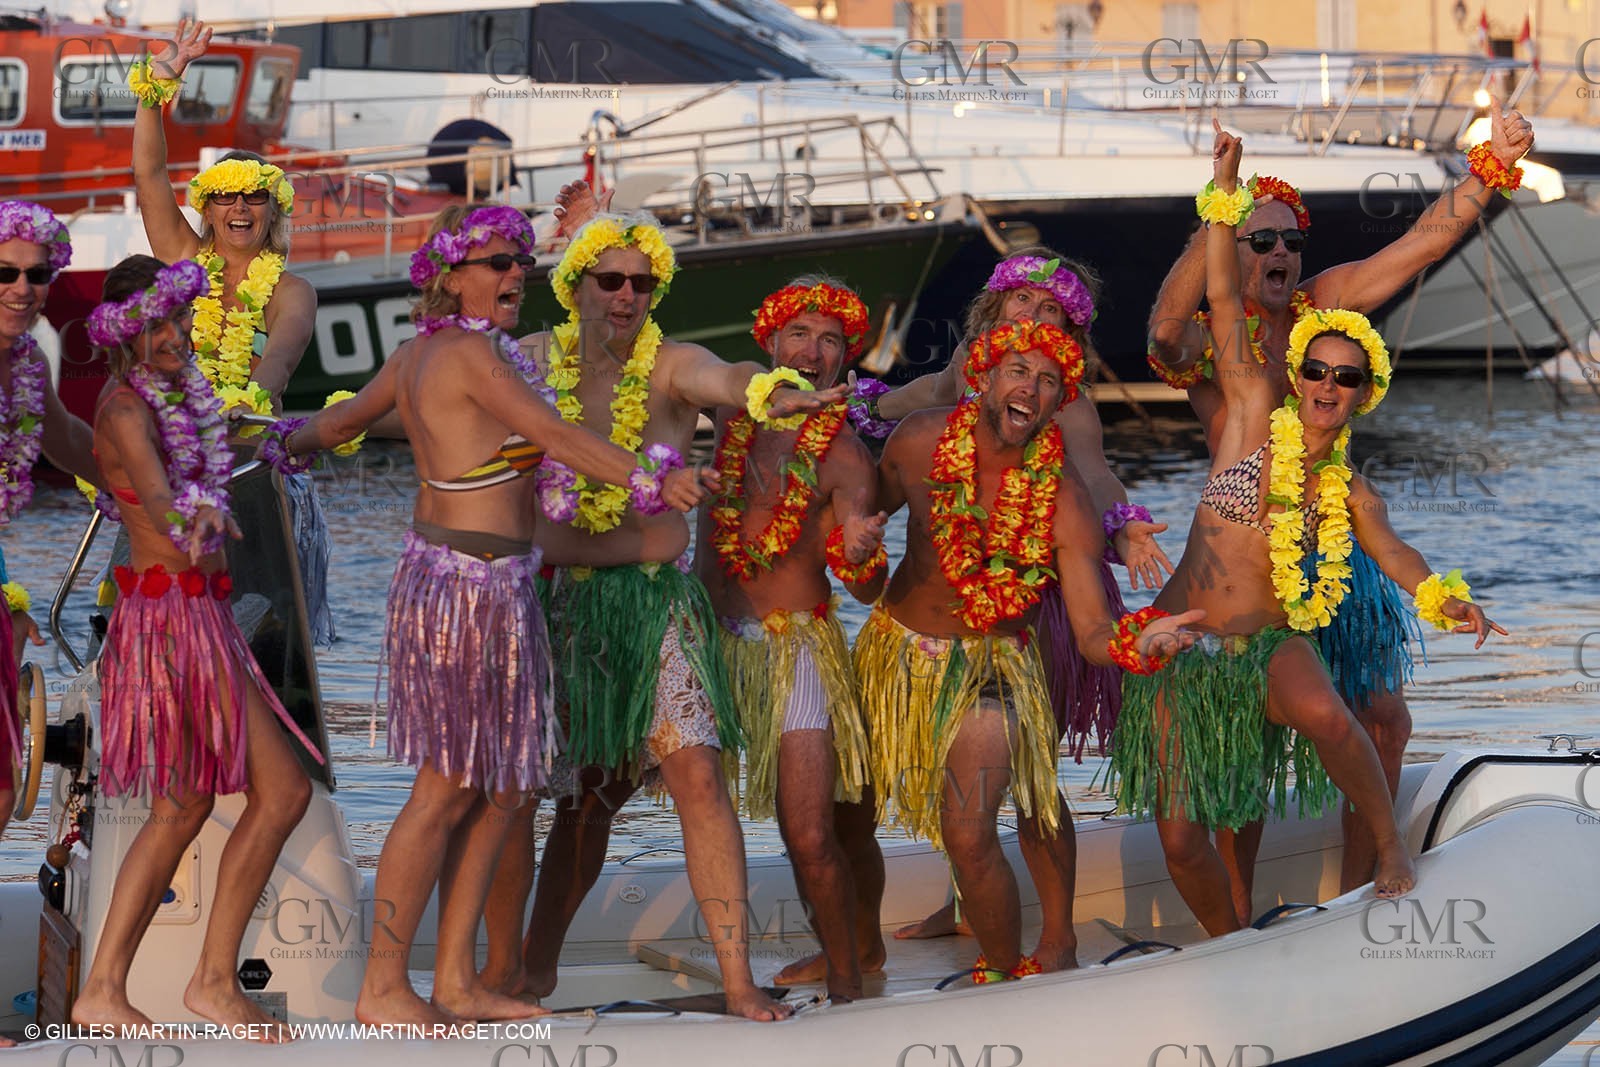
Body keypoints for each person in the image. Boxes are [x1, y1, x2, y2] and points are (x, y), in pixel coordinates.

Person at [267, 204, 708, 1024]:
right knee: (444, 789)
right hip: (465, 590)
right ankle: (384, 986)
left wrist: (272, 441)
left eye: (522, 264)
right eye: (500, 263)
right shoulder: (469, 352)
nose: (517, 276)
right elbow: (556, 434)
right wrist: (653, 476)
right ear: (451, 274)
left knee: (504, 787)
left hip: (495, 587)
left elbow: (336, 424)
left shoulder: (419, 354)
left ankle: (460, 980)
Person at [1111, 128, 1504, 937]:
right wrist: (1220, 195)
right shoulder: (1247, 386)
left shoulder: (1328, 338)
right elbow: (1185, 319)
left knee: (1363, 718)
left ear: (1363, 390)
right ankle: (1235, 934)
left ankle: (1371, 884)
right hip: (1191, 630)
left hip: (1295, 598)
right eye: (1264, 238)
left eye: (1292, 237)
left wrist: (1485, 176)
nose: (1327, 382)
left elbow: (1412, 251)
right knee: (1200, 813)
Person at [478, 215, 843, 1022]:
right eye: (610, 280)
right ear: (575, 286)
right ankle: (517, 973)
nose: (627, 296)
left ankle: (739, 979)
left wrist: (767, 389)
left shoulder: (673, 365)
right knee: (564, 796)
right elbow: (435, 396)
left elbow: (727, 375)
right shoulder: (529, 364)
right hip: (553, 605)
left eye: (642, 283)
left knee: (698, 776)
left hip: (655, 603)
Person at [856, 319, 1198, 980]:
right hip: (895, 657)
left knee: (969, 829)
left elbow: (1094, 630)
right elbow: (865, 556)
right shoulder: (917, 441)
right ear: (983, 377)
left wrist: (1140, 640)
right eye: (1019, 371)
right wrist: (856, 554)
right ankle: (853, 951)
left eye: (1049, 382)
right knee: (844, 811)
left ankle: (1008, 972)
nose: (1032, 390)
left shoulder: (1064, 499)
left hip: (995, 667)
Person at [69, 255, 323, 1038]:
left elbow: (225, 444)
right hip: (166, 627)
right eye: (160, 321)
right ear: (122, 331)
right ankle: (114, 985)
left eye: (182, 317)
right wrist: (198, 517)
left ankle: (203, 980)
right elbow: (151, 488)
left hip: (202, 617)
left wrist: (297, 434)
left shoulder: (180, 397)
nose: (177, 333)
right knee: (188, 804)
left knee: (265, 795)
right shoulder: (122, 411)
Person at [697, 275, 887, 1001]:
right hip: (713, 639)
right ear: (770, 343)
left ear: (846, 359)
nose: (813, 351)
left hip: (797, 649)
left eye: (830, 339)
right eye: (799, 334)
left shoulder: (844, 460)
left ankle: (848, 988)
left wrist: (864, 553)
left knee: (810, 833)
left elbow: (866, 587)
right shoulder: (727, 410)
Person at [128, 19, 333, 643]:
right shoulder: (185, 265)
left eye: (254, 199)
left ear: (273, 210)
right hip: (176, 462)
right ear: (209, 208)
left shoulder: (292, 289)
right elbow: (149, 176)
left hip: (250, 465)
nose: (240, 210)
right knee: (162, 603)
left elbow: (285, 351)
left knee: (256, 622)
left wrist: (248, 400)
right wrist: (157, 86)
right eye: (227, 199)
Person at [0, 200, 101, 845]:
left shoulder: (28, 365)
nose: (22, 289)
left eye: (38, 276)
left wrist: (161, 473)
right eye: (4, 273)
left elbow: (66, 439)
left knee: (5, 785)